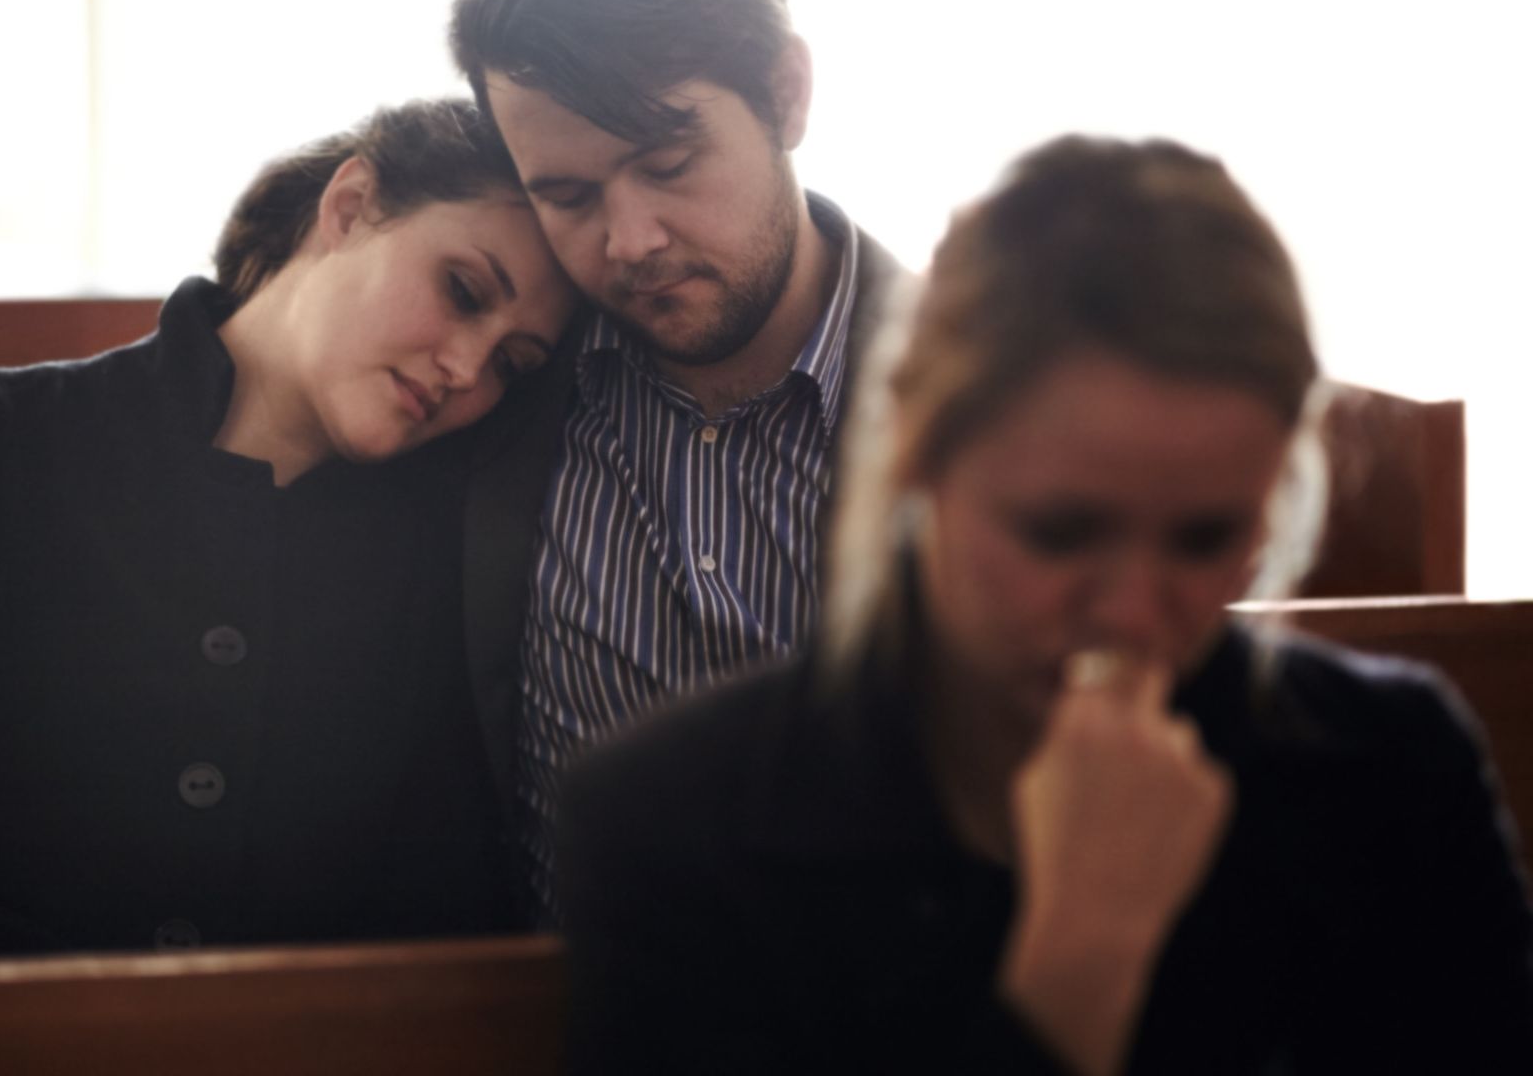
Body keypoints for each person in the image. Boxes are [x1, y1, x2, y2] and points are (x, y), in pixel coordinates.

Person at [0, 0, 903, 917]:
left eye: (669, 162)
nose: (631, 240)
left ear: (789, 94)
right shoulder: (521, 403)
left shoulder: (972, 387)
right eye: (568, 196)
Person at [555, 136, 1533, 1073]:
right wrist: (1080, 953)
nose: (1132, 614)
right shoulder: (675, 825)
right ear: (918, 461)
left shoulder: (1391, 769)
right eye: (1060, 533)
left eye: (1205, 539)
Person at [0, 98, 577, 959]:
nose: (466, 369)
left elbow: (446, 929)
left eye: (512, 362)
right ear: (348, 208)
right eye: (462, 290)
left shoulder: (460, 548)